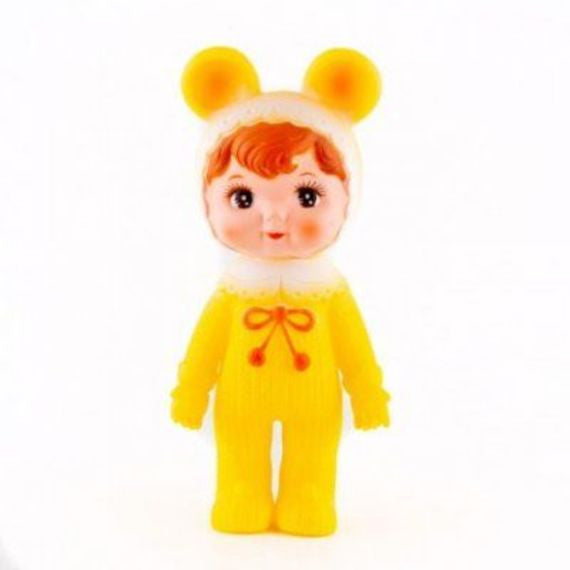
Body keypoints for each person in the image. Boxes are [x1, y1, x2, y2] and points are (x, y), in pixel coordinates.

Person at [171, 46, 390, 536]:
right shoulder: (232, 291)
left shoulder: (329, 292)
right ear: (208, 201)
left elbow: (355, 346)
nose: (273, 217)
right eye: (242, 196)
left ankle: (309, 495)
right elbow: (205, 345)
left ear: (347, 202)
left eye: (307, 196)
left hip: (316, 403)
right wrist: (190, 391)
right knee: (238, 448)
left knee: (315, 450)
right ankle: (240, 492)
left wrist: (367, 393)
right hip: (239, 401)